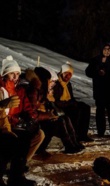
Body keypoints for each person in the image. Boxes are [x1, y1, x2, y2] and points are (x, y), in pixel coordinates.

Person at [0, 55, 39, 186]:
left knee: (34, 134)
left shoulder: (20, 90)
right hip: (7, 124)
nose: (16, 77)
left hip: (11, 123)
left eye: (17, 73)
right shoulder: (1, 88)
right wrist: (4, 106)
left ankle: (17, 172)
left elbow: (28, 107)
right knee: (16, 140)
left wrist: (31, 117)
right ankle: (15, 172)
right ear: (5, 74)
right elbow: (4, 112)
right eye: (12, 74)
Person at [30, 67, 84, 155]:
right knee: (60, 121)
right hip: (36, 121)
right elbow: (34, 110)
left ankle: (74, 142)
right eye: (52, 82)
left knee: (64, 118)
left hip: (42, 118)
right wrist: (49, 114)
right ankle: (69, 145)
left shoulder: (44, 92)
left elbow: (50, 108)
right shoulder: (36, 92)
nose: (53, 84)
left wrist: (51, 112)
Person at [53, 62, 93, 142]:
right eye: (66, 73)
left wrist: (74, 103)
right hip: (60, 106)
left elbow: (71, 98)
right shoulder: (56, 83)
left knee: (85, 107)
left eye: (70, 74)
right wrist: (70, 103)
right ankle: (74, 134)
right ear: (62, 72)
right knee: (75, 111)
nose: (68, 76)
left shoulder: (68, 84)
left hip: (68, 103)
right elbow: (56, 101)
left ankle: (82, 134)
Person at [85, 43, 110, 138]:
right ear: (102, 49)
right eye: (105, 49)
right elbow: (88, 72)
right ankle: (101, 132)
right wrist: (97, 71)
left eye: (109, 49)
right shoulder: (95, 60)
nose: (107, 51)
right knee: (100, 112)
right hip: (99, 91)